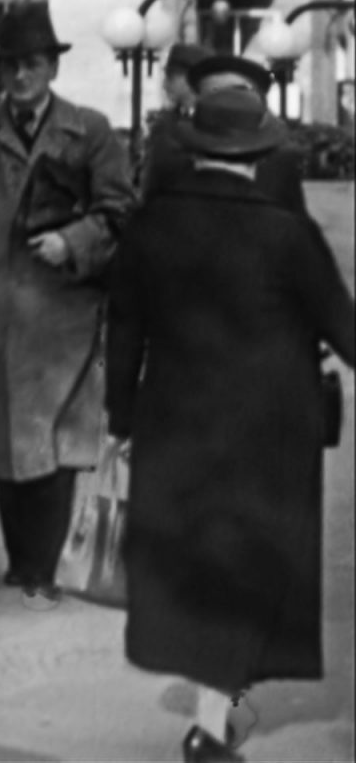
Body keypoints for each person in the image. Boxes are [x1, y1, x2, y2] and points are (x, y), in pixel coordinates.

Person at [107, 88, 355, 763]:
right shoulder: (287, 233)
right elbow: (345, 327)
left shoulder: (151, 227)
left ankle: (212, 722)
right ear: (257, 154)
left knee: (201, 571)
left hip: (176, 424)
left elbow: (123, 329)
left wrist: (119, 418)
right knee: (249, 574)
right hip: (272, 435)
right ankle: (211, 731)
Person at [0, 5, 135, 609]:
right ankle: (18, 560)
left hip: (66, 311)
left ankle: (43, 566)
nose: (20, 75)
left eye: (31, 64)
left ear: (52, 66)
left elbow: (120, 213)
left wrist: (71, 242)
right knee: (4, 434)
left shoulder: (92, 130)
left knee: (57, 437)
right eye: (10, 65)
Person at [181, 54, 309, 215]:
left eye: (237, 94)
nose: (227, 105)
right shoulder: (176, 156)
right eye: (214, 96)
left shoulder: (281, 161)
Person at [140, 42, 213, 198]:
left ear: (190, 79)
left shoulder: (213, 122)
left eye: (171, 76)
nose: (165, 84)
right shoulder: (165, 123)